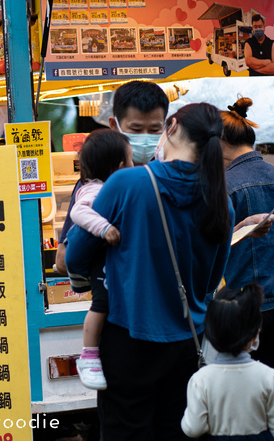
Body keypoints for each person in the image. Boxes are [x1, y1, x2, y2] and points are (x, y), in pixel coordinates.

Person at [66, 102, 233, 440]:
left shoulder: (126, 183)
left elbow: (76, 255)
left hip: (128, 339)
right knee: (176, 431)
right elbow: (212, 280)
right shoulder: (220, 200)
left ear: (170, 128)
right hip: (189, 340)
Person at [54, 81, 169, 275]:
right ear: (114, 125)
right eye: (136, 129)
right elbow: (64, 259)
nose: (145, 137)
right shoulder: (94, 181)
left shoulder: (170, 176)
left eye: (154, 130)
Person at [222, 98, 274, 374]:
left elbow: (213, 245)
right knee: (268, 384)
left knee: (239, 393)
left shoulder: (224, 185)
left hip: (240, 306)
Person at [181, 284, 274, 441]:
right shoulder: (269, 377)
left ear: (210, 335)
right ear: (254, 334)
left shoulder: (201, 379)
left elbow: (193, 428)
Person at [65, 129, 129, 390]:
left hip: (105, 258)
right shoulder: (95, 190)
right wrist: (103, 228)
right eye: (130, 160)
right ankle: (88, 357)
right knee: (100, 305)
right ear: (119, 166)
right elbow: (79, 212)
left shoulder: (102, 186)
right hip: (98, 260)